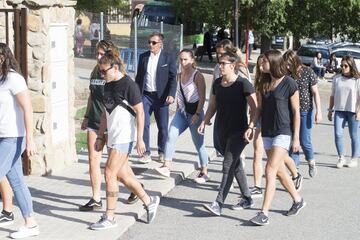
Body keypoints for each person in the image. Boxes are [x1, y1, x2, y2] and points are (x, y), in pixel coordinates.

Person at [90, 51, 160, 230]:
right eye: (100, 72)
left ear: (114, 68)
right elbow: (106, 114)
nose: (102, 75)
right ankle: (149, 201)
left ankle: (110, 216)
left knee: (109, 173)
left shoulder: (129, 85)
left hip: (124, 137)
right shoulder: (107, 85)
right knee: (123, 175)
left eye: (104, 71)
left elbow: (140, 112)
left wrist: (140, 139)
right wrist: (100, 135)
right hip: (112, 136)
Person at [79, 40, 140, 212]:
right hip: (95, 121)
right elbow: (92, 95)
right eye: (96, 53)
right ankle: (96, 198)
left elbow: (134, 106)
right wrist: (86, 115)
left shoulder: (116, 73)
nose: (98, 57)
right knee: (93, 159)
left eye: (101, 53)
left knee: (119, 168)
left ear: (110, 54)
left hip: (113, 125)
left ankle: (135, 187)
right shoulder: (95, 71)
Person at [249, 50, 306, 226]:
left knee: (270, 170)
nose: (261, 64)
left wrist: (296, 138)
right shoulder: (263, 82)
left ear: (273, 62)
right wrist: (251, 126)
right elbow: (258, 108)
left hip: (283, 132)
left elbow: (296, 112)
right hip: (267, 131)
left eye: (264, 61)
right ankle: (298, 200)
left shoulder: (289, 83)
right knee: (280, 171)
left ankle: (263, 213)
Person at [199, 51, 257, 216]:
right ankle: (247, 197)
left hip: (239, 132)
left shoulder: (243, 84)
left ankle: (218, 203)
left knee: (228, 164)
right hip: (221, 131)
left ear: (232, 66)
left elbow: (255, 108)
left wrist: (251, 127)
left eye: (223, 63)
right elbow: (213, 106)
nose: (220, 65)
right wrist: (205, 120)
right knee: (235, 164)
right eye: (219, 62)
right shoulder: (217, 83)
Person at [0, 43, 39, 238]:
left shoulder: (14, 79)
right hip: (1, 137)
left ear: (2, 58)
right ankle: (31, 223)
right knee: (17, 181)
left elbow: (28, 109)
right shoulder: (0, 80)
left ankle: (30, 223)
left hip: (13, 137)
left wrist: (30, 140)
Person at [154, 49, 210, 183]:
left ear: (192, 60)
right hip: (182, 112)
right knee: (171, 134)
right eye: (180, 59)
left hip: (195, 113)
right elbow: (179, 94)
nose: (183, 62)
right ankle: (167, 166)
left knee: (199, 144)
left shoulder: (198, 76)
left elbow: (202, 98)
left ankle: (204, 171)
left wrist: (197, 114)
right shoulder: (179, 76)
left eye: (185, 59)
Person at [135, 32, 177, 164]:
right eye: (149, 42)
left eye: (153, 42)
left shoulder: (168, 58)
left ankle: (162, 151)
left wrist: (171, 94)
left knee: (162, 126)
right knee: (144, 124)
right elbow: (139, 78)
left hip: (162, 97)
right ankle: (145, 152)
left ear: (160, 44)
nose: (150, 45)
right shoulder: (143, 57)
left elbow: (173, 78)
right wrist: (135, 96)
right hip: (146, 95)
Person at [283, 50, 322, 178]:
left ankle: (311, 161)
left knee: (304, 141)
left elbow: (315, 93)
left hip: (305, 111)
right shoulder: (287, 75)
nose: (287, 67)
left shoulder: (308, 72)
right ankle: (295, 170)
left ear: (294, 61)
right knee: (293, 140)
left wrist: (319, 112)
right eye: (285, 65)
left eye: (289, 64)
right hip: (290, 112)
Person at [328, 55, 360, 168]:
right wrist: (330, 110)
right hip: (339, 110)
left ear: (351, 66)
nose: (343, 68)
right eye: (341, 65)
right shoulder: (336, 78)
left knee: (354, 135)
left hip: (352, 110)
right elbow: (332, 95)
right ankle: (341, 157)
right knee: (338, 134)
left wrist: (359, 111)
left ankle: (354, 158)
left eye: (346, 66)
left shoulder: (357, 80)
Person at [249, 54, 265, 198]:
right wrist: (252, 122)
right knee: (257, 152)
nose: (260, 67)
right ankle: (257, 186)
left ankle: (295, 174)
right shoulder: (257, 81)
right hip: (260, 119)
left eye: (263, 63)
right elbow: (256, 104)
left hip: (273, 122)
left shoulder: (276, 80)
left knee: (279, 158)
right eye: (259, 64)